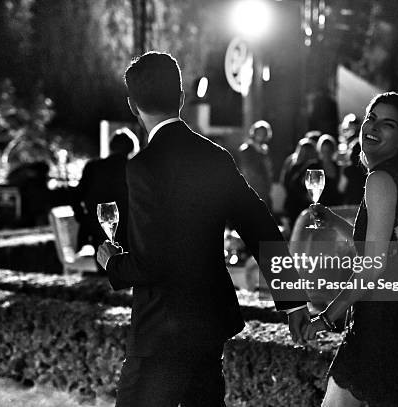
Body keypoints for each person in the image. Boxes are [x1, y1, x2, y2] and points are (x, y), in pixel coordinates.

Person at [96, 52, 310, 407]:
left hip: (160, 330)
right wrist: (293, 299)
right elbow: (260, 226)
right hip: (208, 323)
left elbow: (153, 263)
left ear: (132, 105)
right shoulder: (215, 156)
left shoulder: (144, 167)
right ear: (181, 98)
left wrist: (112, 263)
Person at [308, 92, 398, 406]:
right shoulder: (394, 179)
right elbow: (384, 251)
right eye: (371, 118)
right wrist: (335, 221)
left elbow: (374, 265)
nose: (372, 127)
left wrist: (326, 317)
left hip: (380, 328)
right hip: (392, 321)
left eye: (387, 124)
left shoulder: (380, 180)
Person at [71, 129, 137, 257]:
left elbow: (75, 195)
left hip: (96, 231)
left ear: (111, 146)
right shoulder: (133, 169)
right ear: (131, 149)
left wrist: (83, 219)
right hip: (126, 233)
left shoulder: (93, 167)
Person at [280, 138, 320, 226]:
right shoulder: (293, 165)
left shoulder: (293, 163)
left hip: (297, 204)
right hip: (296, 205)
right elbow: (288, 184)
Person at [236, 120, 274, 209]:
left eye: (264, 133)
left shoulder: (265, 150)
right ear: (254, 133)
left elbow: (268, 168)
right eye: (259, 132)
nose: (261, 135)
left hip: (264, 189)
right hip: (252, 188)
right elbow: (246, 170)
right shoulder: (246, 149)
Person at [316, 135, 342, 206]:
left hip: (336, 206)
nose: (326, 154)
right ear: (320, 151)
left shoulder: (338, 167)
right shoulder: (314, 166)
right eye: (324, 151)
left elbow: (341, 190)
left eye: (329, 151)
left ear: (333, 151)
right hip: (320, 206)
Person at [339, 140, 367, 205]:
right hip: (365, 205)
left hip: (350, 205)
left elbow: (341, 189)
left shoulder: (348, 170)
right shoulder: (368, 170)